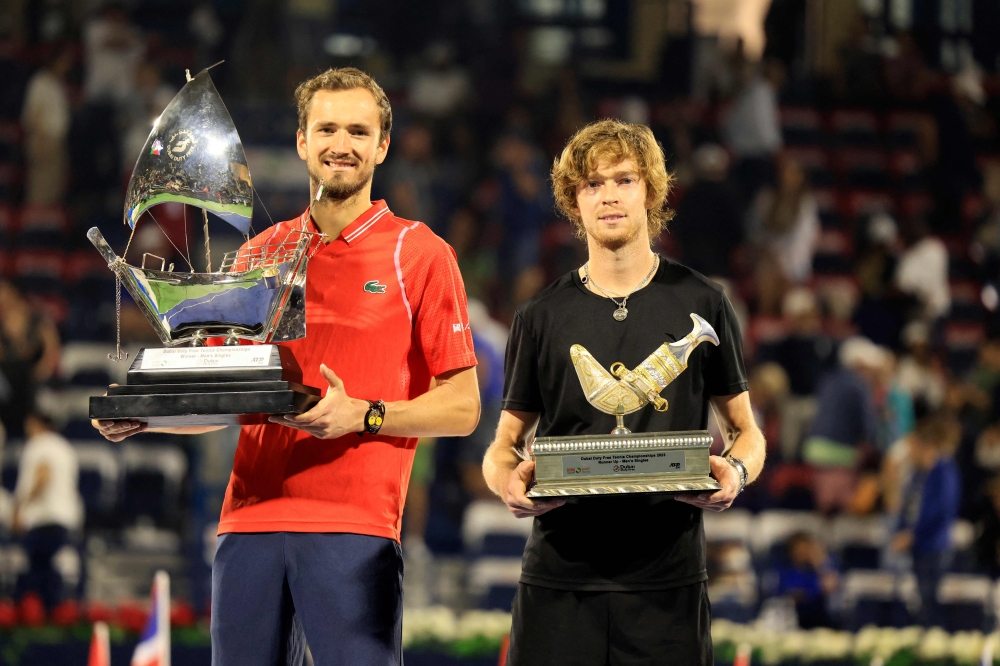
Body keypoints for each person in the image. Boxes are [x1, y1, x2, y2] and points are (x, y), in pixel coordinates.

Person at [95, 67, 481, 666]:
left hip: (354, 528)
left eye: (358, 130)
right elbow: (232, 400)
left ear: (382, 145)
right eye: (326, 128)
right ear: (302, 141)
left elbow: (463, 407)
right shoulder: (258, 253)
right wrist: (147, 419)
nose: (341, 144)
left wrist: (364, 415)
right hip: (247, 523)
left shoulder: (421, 253)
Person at [482, 119, 766, 666]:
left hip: (669, 584)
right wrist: (507, 484)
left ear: (651, 192)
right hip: (559, 583)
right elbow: (504, 445)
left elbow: (745, 432)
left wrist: (737, 471)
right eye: (592, 184)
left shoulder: (705, 301)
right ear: (574, 201)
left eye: (624, 180)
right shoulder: (540, 316)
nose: (608, 195)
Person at [889, 411, 961, 627]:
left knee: (930, 602)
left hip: (934, 547)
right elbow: (907, 508)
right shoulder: (918, 474)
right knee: (913, 602)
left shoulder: (945, 471)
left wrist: (913, 534)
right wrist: (901, 531)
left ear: (925, 446)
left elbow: (941, 510)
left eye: (914, 447)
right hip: (914, 547)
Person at [13, 412, 83, 611]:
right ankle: (53, 613)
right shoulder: (65, 448)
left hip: (43, 517)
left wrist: (21, 507)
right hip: (64, 517)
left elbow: (43, 477)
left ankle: (41, 615)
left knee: (36, 571)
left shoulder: (39, 444)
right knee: (49, 567)